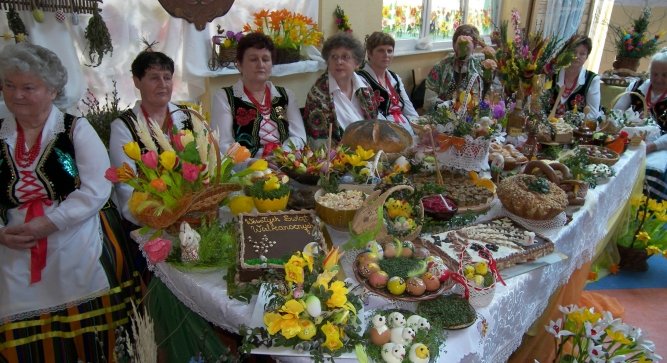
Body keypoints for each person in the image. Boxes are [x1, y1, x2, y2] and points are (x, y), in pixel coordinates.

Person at [0, 43, 138, 361]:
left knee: (90, 332)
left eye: (27, 87)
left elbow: (96, 187)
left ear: (51, 90)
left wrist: (50, 223)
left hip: (74, 235)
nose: (16, 95)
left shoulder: (74, 128)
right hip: (15, 243)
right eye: (9, 85)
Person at [109, 50, 195, 227]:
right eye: (154, 78)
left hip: (193, 210)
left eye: (167, 77)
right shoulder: (124, 126)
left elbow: (206, 163)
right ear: (137, 81)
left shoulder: (188, 116)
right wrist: (157, 220)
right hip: (149, 218)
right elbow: (126, 186)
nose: (163, 84)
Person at [211, 32, 306, 158]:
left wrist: (282, 155)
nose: (261, 65)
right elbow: (223, 144)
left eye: (266, 59)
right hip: (247, 171)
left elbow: (299, 136)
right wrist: (253, 163)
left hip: (286, 164)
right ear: (239, 64)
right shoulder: (225, 97)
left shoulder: (286, 95)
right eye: (253, 59)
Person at [304, 32, 381, 148]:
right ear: (327, 62)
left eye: (345, 57)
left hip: (371, 152)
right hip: (336, 160)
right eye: (334, 57)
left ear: (357, 63)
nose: (339, 62)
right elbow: (318, 145)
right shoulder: (317, 95)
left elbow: (375, 126)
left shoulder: (365, 88)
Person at [614, 49, 667, 200]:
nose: (658, 79)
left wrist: (650, 147)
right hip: (627, 138)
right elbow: (617, 110)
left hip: (659, 146)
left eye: (665, 75)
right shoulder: (637, 86)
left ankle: (646, 208)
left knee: (650, 171)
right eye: (655, 73)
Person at [357, 31, 419, 135]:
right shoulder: (361, 79)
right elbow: (374, 118)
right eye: (381, 50)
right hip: (383, 135)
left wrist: (420, 129)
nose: (386, 55)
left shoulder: (395, 78)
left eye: (390, 51)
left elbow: (409, 110)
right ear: (370, 53)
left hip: (406, 131)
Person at [424, 24, 485, 111]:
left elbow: (481, 100)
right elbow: (428, 102)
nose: (463, 50)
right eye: (460, 45)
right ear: (453, 44)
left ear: (474, 47)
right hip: (440, 117)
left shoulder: (479, 68)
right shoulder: (440, 68)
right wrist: (449, 105)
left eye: (467, 46)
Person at [549, 36, 601, 119]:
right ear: (566, 53)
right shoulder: (553, 73)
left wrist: (566, 121)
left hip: (575, 130)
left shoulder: (592, 80)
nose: (577, 56)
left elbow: (593, 114)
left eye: (582, 53)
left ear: (586, 57)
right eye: (573, 52)